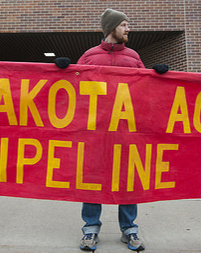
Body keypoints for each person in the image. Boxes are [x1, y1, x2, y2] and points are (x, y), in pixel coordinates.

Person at [54, 8, 168, 252]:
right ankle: (90, 230)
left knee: (128, 180)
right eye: (124, 25)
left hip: (127, 131)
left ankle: (130, 230)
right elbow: (73, 87)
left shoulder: (133, 56)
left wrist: (159, 77)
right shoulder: (89, 56)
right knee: (92, 180)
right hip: (94, 131)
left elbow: (147, 90)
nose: (128, 29)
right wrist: (60, 71)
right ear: (112, 28)